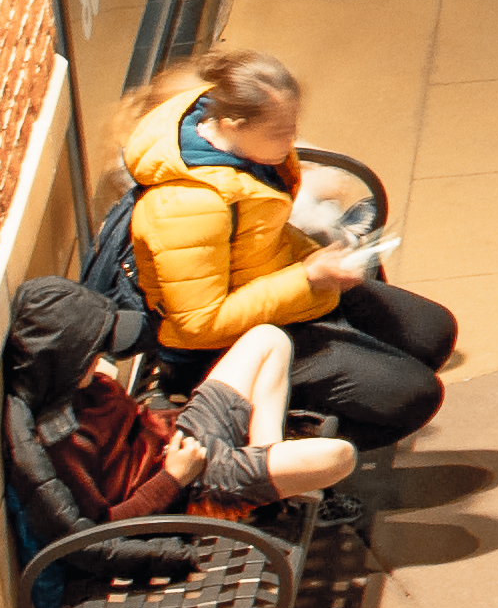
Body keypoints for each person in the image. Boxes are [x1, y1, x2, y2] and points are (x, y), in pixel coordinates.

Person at [120, 46, 455, 454]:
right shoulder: (190, 206)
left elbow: (262, 235)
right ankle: (293, 450)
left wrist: (319, 257)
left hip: (275, 290)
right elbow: (198, 325)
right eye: (280, 132)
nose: (292, 140)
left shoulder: (248, 151)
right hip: (223, 348)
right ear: (231, 122)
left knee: (432, 332)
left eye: (292, 126)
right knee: (412, 396)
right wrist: (307, 277)